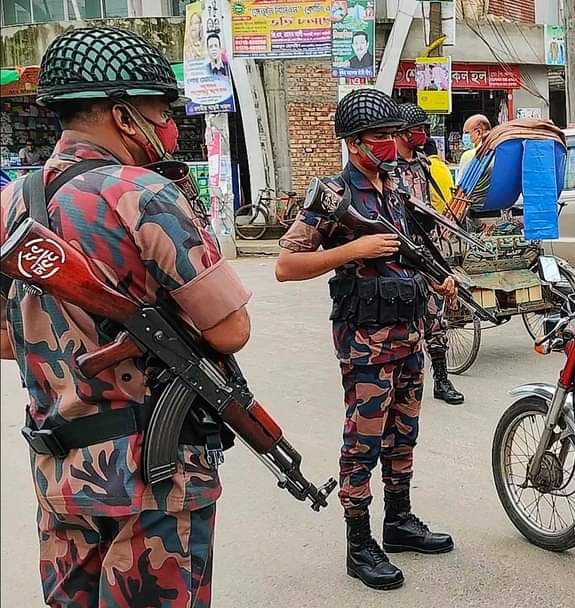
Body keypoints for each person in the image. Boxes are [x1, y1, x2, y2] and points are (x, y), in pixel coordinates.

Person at [0, 26, 252, 607]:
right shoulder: (144, 193)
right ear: (123, 115)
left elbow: (6, 337)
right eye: (161, 110)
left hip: (61, 472)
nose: (168, 125)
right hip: (153, 479)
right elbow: (231, 329)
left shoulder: (12, 200)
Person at [275, 89, 455, 591]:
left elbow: (412, 250)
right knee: (363, 444)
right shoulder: (333, 195)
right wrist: (352, 247)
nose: (394, 143)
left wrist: (439, 278)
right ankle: (359, 542)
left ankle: (398, 521)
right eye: (381, 136)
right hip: (366, 346)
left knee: (404, 436)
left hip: (409, 336)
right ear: (355, 143)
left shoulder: (396, 189)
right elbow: (286, 266)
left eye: (394, 134)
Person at [393, 102, 465, 405]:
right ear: (403, 133)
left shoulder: (423, 164)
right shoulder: (389, 168)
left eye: (424, 129)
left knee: (436, 317)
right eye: (417, 129)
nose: (423, 134)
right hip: (400, 248)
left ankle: (441, 380)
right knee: (402, 317)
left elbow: (431, 199)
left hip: (428, 245)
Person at [456, 113, 491, 183]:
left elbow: (460, 186)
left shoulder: (469, 155)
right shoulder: (496, 150)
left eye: (466, 132)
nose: (464, 136)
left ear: (478, 132)